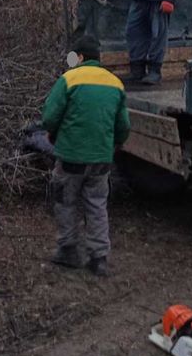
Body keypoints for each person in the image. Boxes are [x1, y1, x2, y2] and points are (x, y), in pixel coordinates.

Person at [41, 35, 130, 277]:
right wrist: (114, 145)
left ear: (79, 57)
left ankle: (68, 250)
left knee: (65, 201)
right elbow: (123, 126)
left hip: (71, 156)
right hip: (101, 158)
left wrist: (53, 134)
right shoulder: (115, 83)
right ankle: (98, 258)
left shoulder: (69, 79)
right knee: (97, 204)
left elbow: (49, 117)